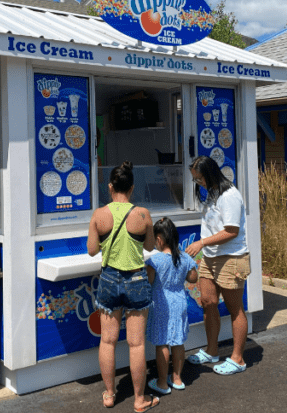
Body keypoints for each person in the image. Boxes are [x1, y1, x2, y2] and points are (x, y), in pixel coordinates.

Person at [87, 161, 159, 412]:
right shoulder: (143, 214)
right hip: (137, 279)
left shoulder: (99, 215)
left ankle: (109, 394)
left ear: (110, 187)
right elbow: (150, 246)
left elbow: (92, 250)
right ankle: (139, 400)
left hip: (108, 279)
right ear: (132, 188)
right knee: (136, 344)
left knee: (107, 341)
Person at [184, 155, 250, 375]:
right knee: (208, 302)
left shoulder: (229, 195)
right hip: (211, 257)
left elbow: (232, 231)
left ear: (211, 173)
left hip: (231, 257)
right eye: (195, 179)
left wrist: (201, 243)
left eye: (199, 178)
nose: (198, 182)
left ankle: (237, 358)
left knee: (234, 308)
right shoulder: (212, 193)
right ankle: (212, 350)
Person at [145, 217, 198, 395]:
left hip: (161, 303)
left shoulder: (155, 261)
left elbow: (149, 282)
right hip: (180, 303)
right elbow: (193, 278)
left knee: (162, 342)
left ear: (159, 240)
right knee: (178, 342)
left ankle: (161, 382)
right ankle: (177, 378)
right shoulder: (184, 258)